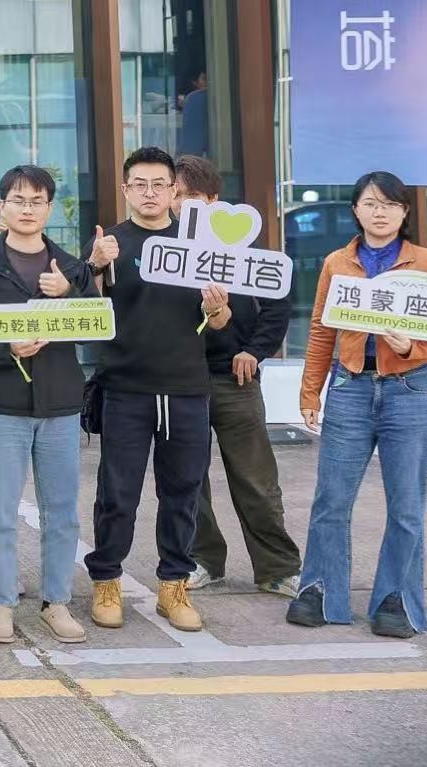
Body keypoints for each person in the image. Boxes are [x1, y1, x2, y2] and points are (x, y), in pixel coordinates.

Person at [288, 171, 427, 638]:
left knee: (406, 505)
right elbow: (321, 329)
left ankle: (396, 600)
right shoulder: (336, 262)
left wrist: (411, 347)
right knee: (331, 499)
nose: (380, 212)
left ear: (404, 212)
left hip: (410, 390)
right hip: (350, 388)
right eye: (370, 203)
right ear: (356, 211)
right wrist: (310, 391)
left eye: (390, 204)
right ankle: (319, 591)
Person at [0, 164, 95, 645]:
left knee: (62, 511)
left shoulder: (70, 267)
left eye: (37, 201)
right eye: (18, 201)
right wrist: (4, 348)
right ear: (3, 208)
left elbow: (97, 325)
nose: (27, 209)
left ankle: (57, 602)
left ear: (49, 208)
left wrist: (70, 293)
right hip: (2, 406)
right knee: (1, 511)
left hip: (61, 405)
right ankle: (0, 603)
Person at [83, 145, 208, 633]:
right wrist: (94, 266)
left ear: (174, 190)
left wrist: (217, 308)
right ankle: (106, 581)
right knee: (117, 494)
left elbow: (222, 321)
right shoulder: (109, 243)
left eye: (159, 184)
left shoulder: (198, 244)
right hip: (125, 388)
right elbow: (84, 312)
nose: (150, 193)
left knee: (183, 492)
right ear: (125, 189)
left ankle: (173, 586)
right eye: (140, 184)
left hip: (186, 387)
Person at [174, 154, 301, 598]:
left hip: (235, 379)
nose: (182, 204)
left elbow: (278, 306)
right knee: (188, 481)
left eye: (192, 196)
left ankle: (278, 567)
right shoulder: (162, 251)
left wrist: (254, 350)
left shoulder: (244, 246)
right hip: (179, 380)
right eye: (177, 196)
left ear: (213, 199)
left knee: (256, 480)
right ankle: (203, 561)